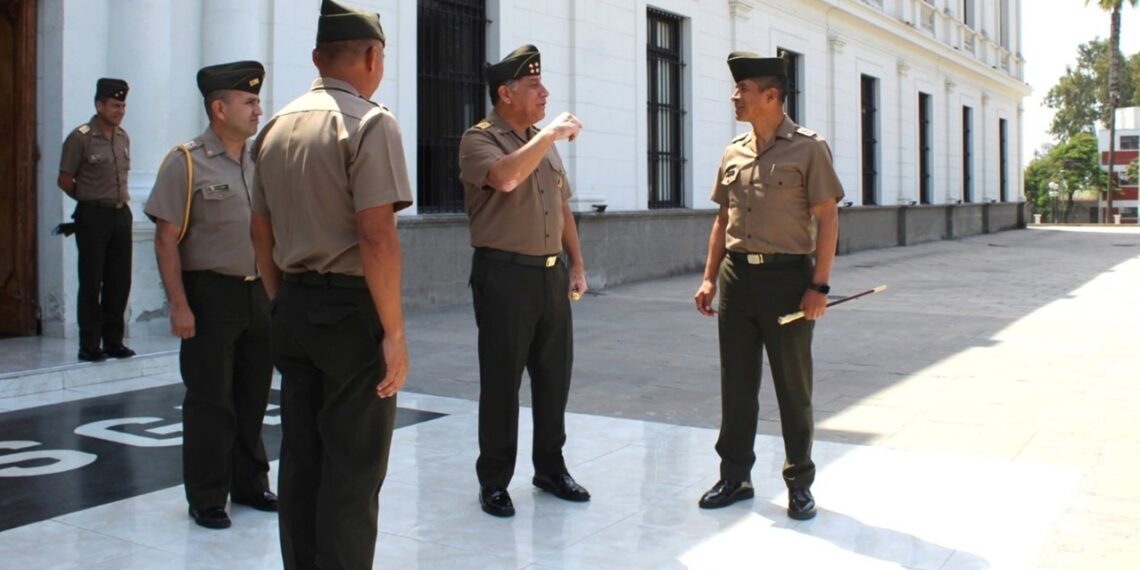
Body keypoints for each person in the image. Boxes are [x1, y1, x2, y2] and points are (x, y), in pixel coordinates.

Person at [249, 1, 412, 567]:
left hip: (292, 305)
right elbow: (377, 238)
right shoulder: (370, 123)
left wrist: (281, 301)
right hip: (349, 314)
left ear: (317, 58)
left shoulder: (272, 127)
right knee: (353, 472)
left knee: (302, 461)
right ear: (372, 56)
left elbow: (259, 231)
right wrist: (393, 331)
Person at [692, 52, 843, 521]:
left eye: (744, 90)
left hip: (787, 280)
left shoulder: (809, 148)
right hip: (738, 279)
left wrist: (819, 285)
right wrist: (709, 277)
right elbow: (723, 218)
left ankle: (799, 482)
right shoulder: (733, 151)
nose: (735, 97)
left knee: (792, 385)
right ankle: (734, 476)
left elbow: (828, 217)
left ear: (772, 96)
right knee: (736, 384)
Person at [458, 44, 590, 518]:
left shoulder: (540, 142)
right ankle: (494, 479)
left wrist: (576, 264)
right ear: (505, 93)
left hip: (550, 277)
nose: (545, 92)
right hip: (504, 276)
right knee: (502, 382)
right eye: (534, 85)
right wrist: (549, 137)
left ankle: (550, 468)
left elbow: (563, 208)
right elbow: (507, 179)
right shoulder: (480, 140)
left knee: (554, 378)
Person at [144, 61, 277, 530]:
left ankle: (249, 482)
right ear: (220, 108)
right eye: (249, 101)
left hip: (257, 292)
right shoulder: (186, 161)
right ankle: (206, 496)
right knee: (210, 400)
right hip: (210, 294)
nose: (258, 108)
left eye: (258, 100)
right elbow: (166, 238)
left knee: (253, 395)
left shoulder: (260, 160)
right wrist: (179, 305)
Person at [58, 78, 135, 362]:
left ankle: (113, 341)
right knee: (91, 280)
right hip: (93, 214)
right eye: (115, 105)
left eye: (123, 105)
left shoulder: (123, 136)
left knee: (119, 280)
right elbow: (65, 179)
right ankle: (89, 344)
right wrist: (88, 198)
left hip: (120, 213)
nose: (120, 111)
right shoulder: (81, 137)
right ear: (99, 104)